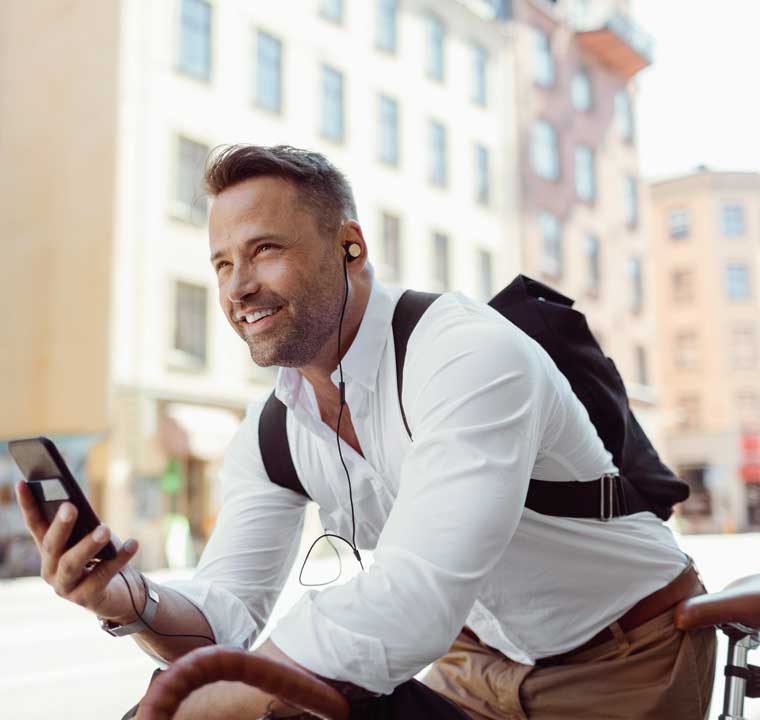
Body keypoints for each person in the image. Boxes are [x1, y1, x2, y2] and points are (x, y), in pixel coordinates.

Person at [15, 145, 716, 720]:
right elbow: (224, 618)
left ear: (350, 246)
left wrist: (223, 695)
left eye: (263, 250)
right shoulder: (273, 432)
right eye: (223, 263)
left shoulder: (464, 352)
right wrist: (127, 601)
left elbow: (414, 596)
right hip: (472, 671)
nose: (236, 288)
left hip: (625, 662)